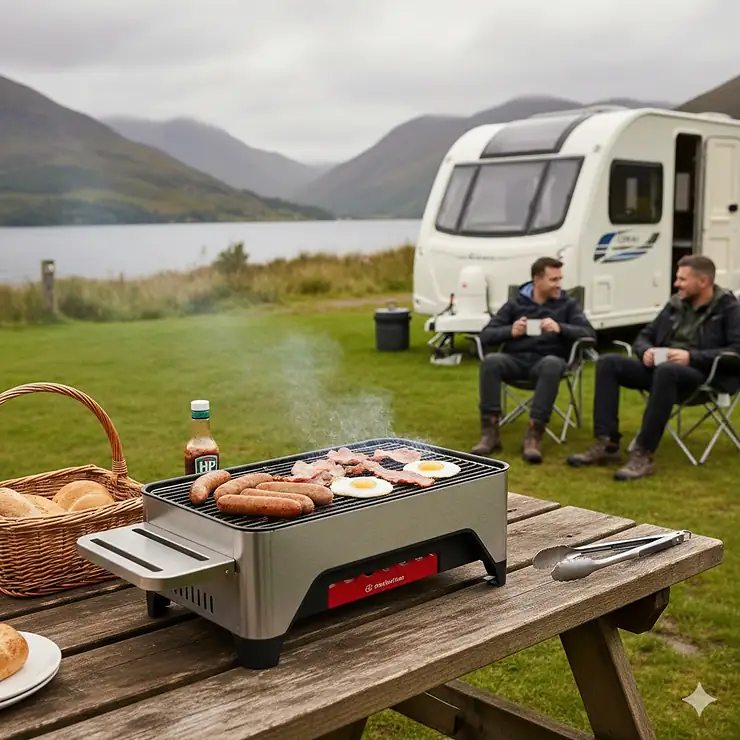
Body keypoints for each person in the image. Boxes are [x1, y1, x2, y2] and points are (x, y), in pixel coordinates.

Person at [567, 254, 740, 480]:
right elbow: (644, 336)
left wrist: (691, 357)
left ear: (703, 282)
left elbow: (736, 351)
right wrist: (645, 351)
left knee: (667, 371)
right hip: (663, 371)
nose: (676, 284)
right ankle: (607, 443)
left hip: (705, 375)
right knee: (609, 362)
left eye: (682, 279)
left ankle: (643, 454)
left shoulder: (728, 309)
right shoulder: (676, 304)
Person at [472, 257, 596, 463]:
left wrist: (560, 328)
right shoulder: (515, 304)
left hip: (547, 363)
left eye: (560, 279)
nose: (559, 284)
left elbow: (590, 334)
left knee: (551, 363)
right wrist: (510, 331)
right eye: (553, 279)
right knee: (491, 361)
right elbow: (486, 335)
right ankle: (490, 433)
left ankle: (534, 435)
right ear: (537, 280)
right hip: (516, 360)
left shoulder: (568, 305)